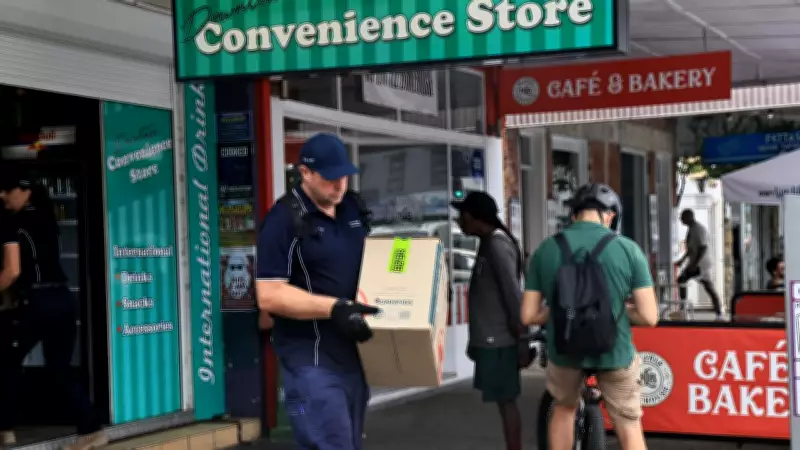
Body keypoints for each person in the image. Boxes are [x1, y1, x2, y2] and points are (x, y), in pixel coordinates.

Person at [256, 133, 379, 450]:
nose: (339, 186)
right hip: (311, 359)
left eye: (344, 177)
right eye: (330, 178)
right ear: (305, 173)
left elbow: (378, 262)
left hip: (353, 354)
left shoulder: (352, 208)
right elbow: (268, 294)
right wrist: (334, 307)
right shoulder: (283, 219)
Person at [522, 183, 658, 450]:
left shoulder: (545, 250)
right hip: (615, 351)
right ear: (609, 216)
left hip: (565, 350)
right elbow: (649, 315)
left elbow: (529, 315)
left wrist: (565, 311)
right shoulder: (628, 249)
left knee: (564, 408)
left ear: (574, 215)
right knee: (628, 423)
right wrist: (614, 310)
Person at [0, 176, 106, 450]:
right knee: (60, 367)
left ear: (25, 192)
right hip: (63, 299)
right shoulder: (48, 219)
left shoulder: (13, 223)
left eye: (7, 190)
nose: (2, 195)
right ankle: (91, 429)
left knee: (8, 360)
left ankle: (5, 430)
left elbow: (12, 270)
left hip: (37, 301)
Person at [452, 192, 525, 450]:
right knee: (502, 402)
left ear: (475, 217)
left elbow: (513, 294)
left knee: (506, 401)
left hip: (501, 340)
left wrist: (522, 340)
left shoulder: (497, 245)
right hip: (491, 338)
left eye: (462, 215)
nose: (459, 221)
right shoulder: (487, 243)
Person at [675, 209, 724, 319]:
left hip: (702, 265)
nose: (681, 220)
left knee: (705, 286)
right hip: (695, 263)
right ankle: (683, 309)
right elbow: (691, 250)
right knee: (685, 281)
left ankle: (718, 314)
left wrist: (694, 264)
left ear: (690, 217)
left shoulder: (699, 229)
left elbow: (703, 247)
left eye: (683, 217)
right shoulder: (691, 229)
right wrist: (682, 260)